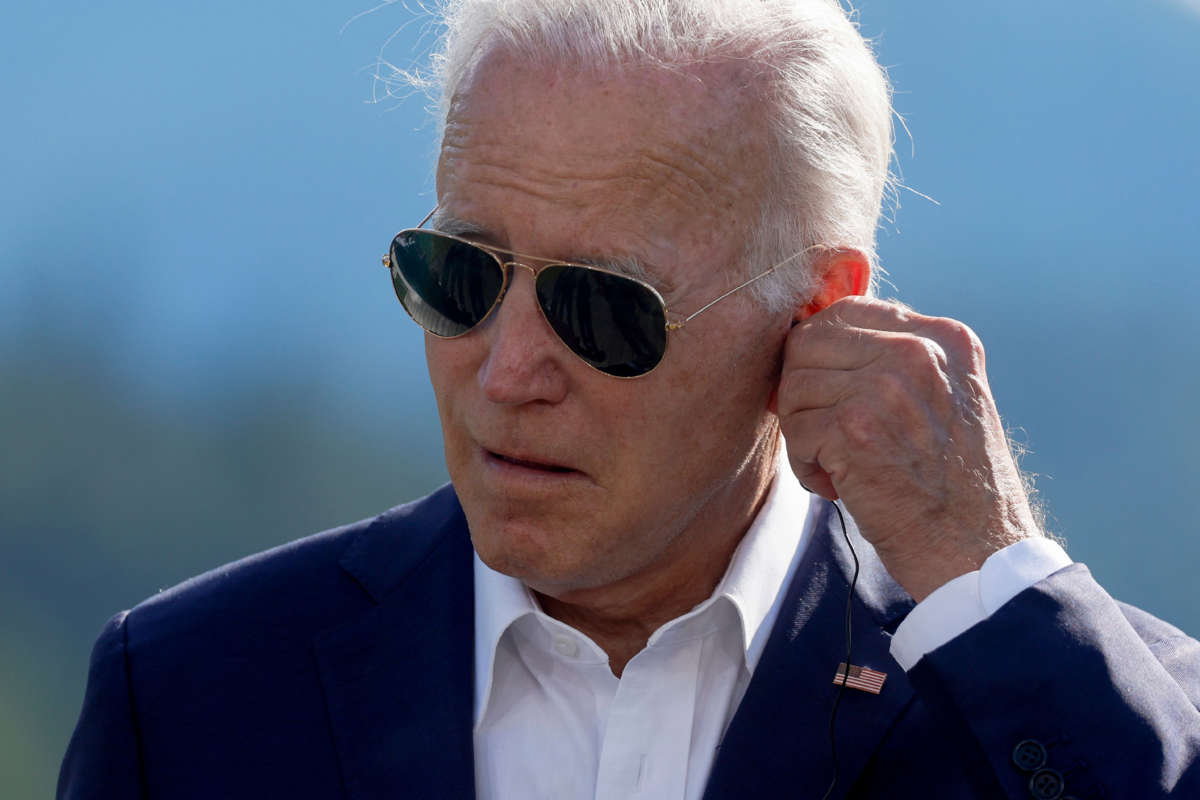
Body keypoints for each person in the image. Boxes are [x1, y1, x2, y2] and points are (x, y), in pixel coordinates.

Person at [59, 1, 1200, 798]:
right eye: (457, 277)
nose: (507, 371)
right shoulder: (186, 691)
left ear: (819, 307)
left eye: (603, 307)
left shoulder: (1050, 700)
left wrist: (987, 566)